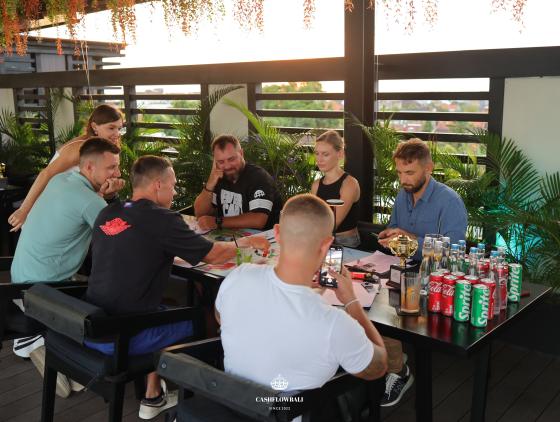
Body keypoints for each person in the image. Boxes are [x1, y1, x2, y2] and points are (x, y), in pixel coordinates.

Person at [85, 155, 269, 420]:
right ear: (157, 185)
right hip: (125, 335)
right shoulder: (161, 218)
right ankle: (211, 402)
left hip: (96, 325)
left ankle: (152, 394)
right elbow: (213, 255)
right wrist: (247, 243)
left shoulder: (109, 212)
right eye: (172, 186)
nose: (174, 192)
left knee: (166, 307)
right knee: (211, 319)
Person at [215, 194, 387, 398]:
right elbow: (378, 367)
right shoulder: (333, 323)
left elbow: (220, 316)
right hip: (290, 411)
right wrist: (351, 301)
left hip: (231, 404)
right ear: (326, 245)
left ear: (277, 233)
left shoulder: (238, 277)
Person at [10, 137, 122, 397]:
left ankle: (53, 346)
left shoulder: (61, 180)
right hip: (48, 288)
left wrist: (103, 195)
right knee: (105, 302)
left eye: (117, 166)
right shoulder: (90, 201)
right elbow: (119, 237)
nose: (117, 173)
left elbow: (84, 206)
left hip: (21, 276)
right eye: (111, 167)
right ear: (90, 167)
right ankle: (48, 341)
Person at [377, 138, 467, 407]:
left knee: (383, 313)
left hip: (436, 280)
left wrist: (407, 238)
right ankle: (390, 362)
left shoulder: (450, 202)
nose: (403, 180)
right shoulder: (402, 195)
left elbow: (452, 254)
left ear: (429, 168)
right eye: (399, 173)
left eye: (410, 172)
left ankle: (398, 371)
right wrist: (390, 237)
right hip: (403, 270)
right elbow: (397, 235)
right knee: (364, 303)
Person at [7, 104, 125, 232]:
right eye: (111, 128)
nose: (117, 134)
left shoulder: (101, 148)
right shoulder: (81, 147)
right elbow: (46, 174)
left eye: (119, 128)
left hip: (69, 210)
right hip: (51, 211)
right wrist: (24, 210)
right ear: (95, 126)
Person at [194, 134, 282, 231]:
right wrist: (210, 183)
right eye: (221, 162)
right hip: (230, 236)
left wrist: (218, 222)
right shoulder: (218, 176)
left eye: (231, 159)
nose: (227, 166)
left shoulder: (259, 177)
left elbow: (258, 220)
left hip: (265, 237)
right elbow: (200, 213)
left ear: (241, 153)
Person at [311, 130, 361, 247]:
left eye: (325, 154)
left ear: (340, 154)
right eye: (317, 153)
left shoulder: (349, 184)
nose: (319, 159)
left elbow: (333, 224)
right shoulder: (316, 184)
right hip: (321, 238)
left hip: (345, 242)